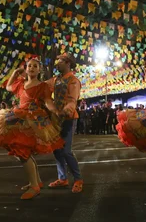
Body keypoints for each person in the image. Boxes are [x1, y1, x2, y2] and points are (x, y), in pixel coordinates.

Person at [0, 58, 64, 200]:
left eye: (35, 66)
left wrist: (56, 111)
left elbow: (48, 102)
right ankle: (35, 182)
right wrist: (15, 72)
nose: (31, 68)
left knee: (23, 152)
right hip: (18, 116)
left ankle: (34, 186)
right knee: (21, 152)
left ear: (39, 70)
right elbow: (8, 87)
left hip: (33, 120)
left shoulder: (42, 86)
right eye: (29, 65)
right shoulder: (21, 84)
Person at [46, 52, 83, 193]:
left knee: (66, 151)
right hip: (56, 119)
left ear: (68, 63)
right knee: (56, 150)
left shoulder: (73, 80)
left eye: (60, 60)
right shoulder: (56, 79)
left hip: (68, 118)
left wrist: (66, 110)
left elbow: (72, 100)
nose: (57, 63)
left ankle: (78, 179)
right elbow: (43, 88)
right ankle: (62, 179)